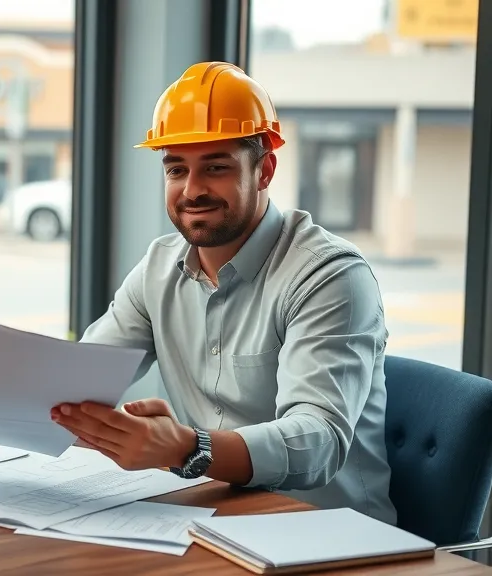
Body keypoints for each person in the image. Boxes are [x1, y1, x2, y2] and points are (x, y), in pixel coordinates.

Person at [50, 61, 396, 524]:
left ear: (265, 169)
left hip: (326, 534)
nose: (192, 190)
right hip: (210, 520)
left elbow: (318, 443)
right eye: (176, 169)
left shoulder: (329, 275)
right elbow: (73, 383)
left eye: (215, 167)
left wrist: (186, 446)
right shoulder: (159, 267)